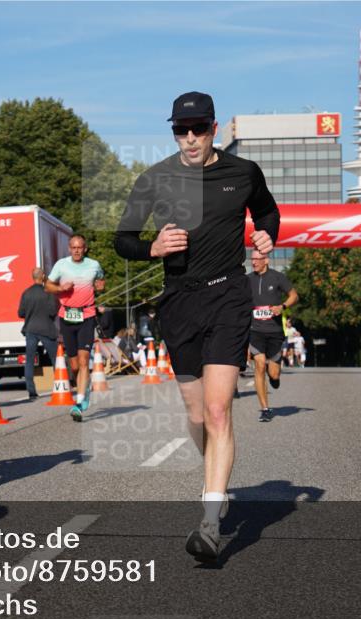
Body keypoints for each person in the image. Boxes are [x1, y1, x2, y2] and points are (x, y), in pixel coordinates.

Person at [115, 91, 280, 562]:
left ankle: (210, 521)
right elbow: (124, 239)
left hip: (229, 294)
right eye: (180, 130)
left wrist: (268, 233)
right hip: (180, 301)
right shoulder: (156, 178)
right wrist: (152, 248)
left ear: (213, 128)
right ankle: (217, 478)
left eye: (198, 129)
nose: (189, 138)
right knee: (195, 414)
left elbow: (267, 211)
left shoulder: (243, 173)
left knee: (219, 410)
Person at [45, 234, 105, 422]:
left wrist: (100, 286)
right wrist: (61, 289)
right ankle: (83, 385)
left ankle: (79, 403)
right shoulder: (61, 265)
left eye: (80, 247)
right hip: (67, 316)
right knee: (74, 365)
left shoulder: (94, 265)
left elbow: (101, 281)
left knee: (83, 360)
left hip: (87, 315)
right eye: (73, 247)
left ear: (85, 248)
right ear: (69, 249)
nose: (77, 250)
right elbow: (47, 286)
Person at [246, 250, 298, 422]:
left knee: (274, 374)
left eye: (257, 259)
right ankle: (265, 409)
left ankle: (274, 378)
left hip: (275, 332)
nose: (253, 262)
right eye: (252, 259)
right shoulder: (247, 280)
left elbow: (294, 296)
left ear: (266, 260)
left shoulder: (277, 277)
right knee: (259, 364)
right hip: (255, 330)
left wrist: (282, 306)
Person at [18, 267, 59, 400]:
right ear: (42, 277)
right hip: (46, 329)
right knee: (55, 359)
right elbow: (53, 311)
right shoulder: (49, 292)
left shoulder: (26, 293)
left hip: (30, 329)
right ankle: (60, 385)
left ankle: (31, 391)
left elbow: (21, 313)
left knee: (29, 360)